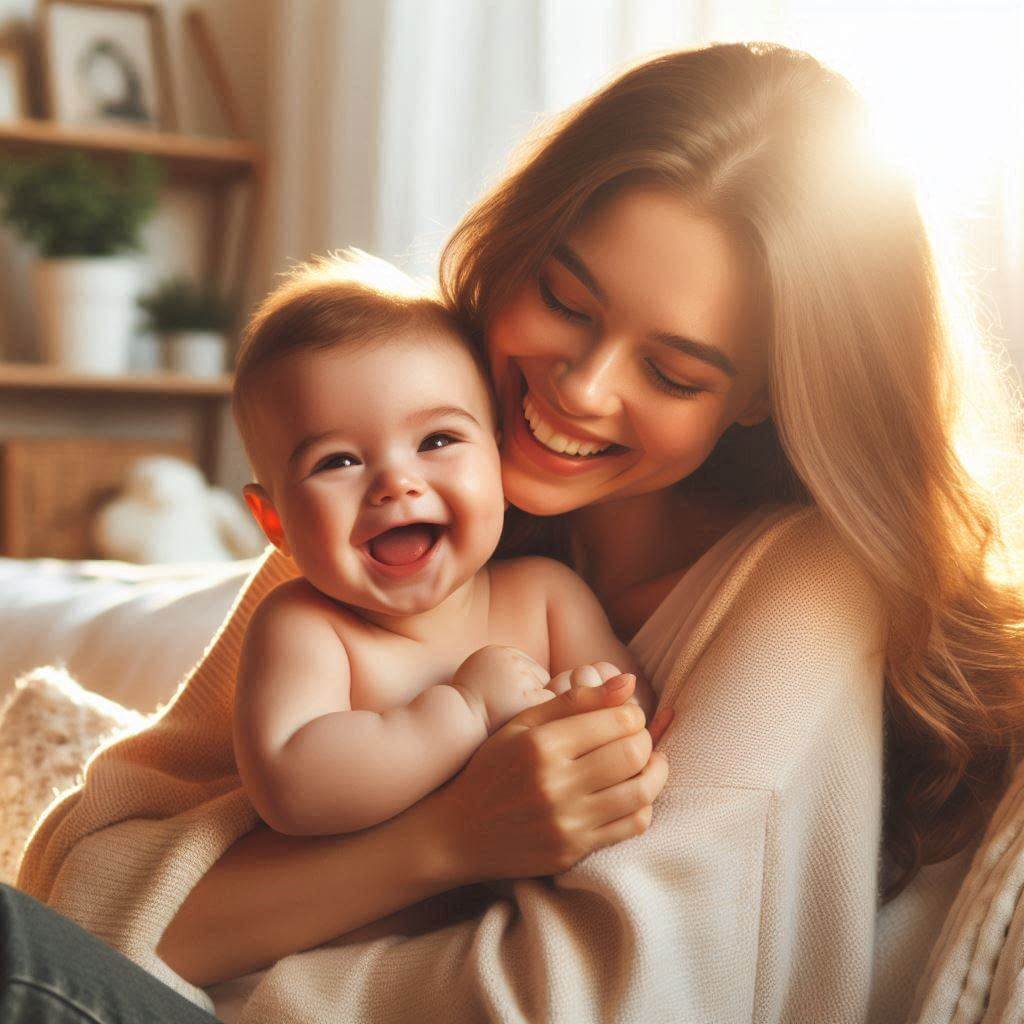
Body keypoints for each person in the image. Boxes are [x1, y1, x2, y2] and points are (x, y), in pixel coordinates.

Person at [11, 40, 1024, 1024]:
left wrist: (233, 941)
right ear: (515, 250)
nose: (580, 388)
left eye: (672, 373)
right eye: (564, 299)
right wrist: (443, 839)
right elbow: (80, 890)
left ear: (764, 392)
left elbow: (606, 1000)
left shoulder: (803, 586)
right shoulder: (400, 483)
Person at [230, 250, 655, 838]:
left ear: (501, 462)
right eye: (339, 461)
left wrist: (581, 708)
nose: (395, 483)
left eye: (436, 440)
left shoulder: (545, 596)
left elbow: (636, 712)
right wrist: (465, 710)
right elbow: (291, 786)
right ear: (274, 521)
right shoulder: (304, 628)